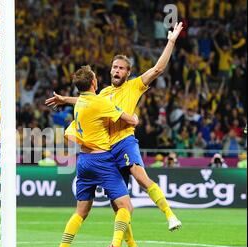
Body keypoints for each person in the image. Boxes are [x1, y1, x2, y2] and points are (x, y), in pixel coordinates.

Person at [46, 23, 184, 235]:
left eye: (121, 68)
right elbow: (87, 102)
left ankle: (169, 215)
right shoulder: (104, 93)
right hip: (107, 149)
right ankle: (129, 246)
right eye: (114, 67)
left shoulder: (134, 86)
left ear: (128, 73)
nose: (117, 70)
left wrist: (171, 41)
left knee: (140, 175)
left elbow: (158, 69)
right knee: (117, 202)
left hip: (125, 141)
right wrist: (65, 99)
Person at [51, 65, 139, 247]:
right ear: (93, 83)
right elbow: (129, 119)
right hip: (103, 161)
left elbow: (69, 133)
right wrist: (135, 118)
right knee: (126, 207)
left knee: (80, 212)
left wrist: (64, 99)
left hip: (84, 161)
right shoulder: (100, 102)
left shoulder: (79, 104)